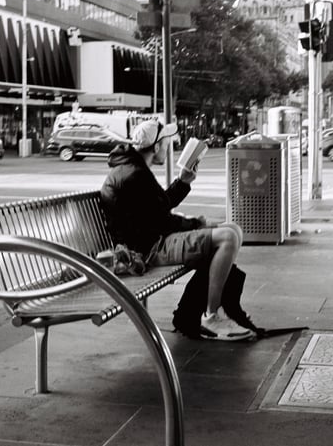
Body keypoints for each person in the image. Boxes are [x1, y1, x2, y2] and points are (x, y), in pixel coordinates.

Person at [100, 119, 254, 341]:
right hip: (147, 250)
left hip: (153, 240)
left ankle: (201, 313)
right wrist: (196, 223)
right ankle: (211, 317)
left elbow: (157, 208)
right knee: (228, 237)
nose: (169, 148)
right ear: (155, 147)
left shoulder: (132, 169)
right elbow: (161, 220)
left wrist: (183, 183)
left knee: (231, 229)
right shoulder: (133, 174)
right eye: (166, 143)